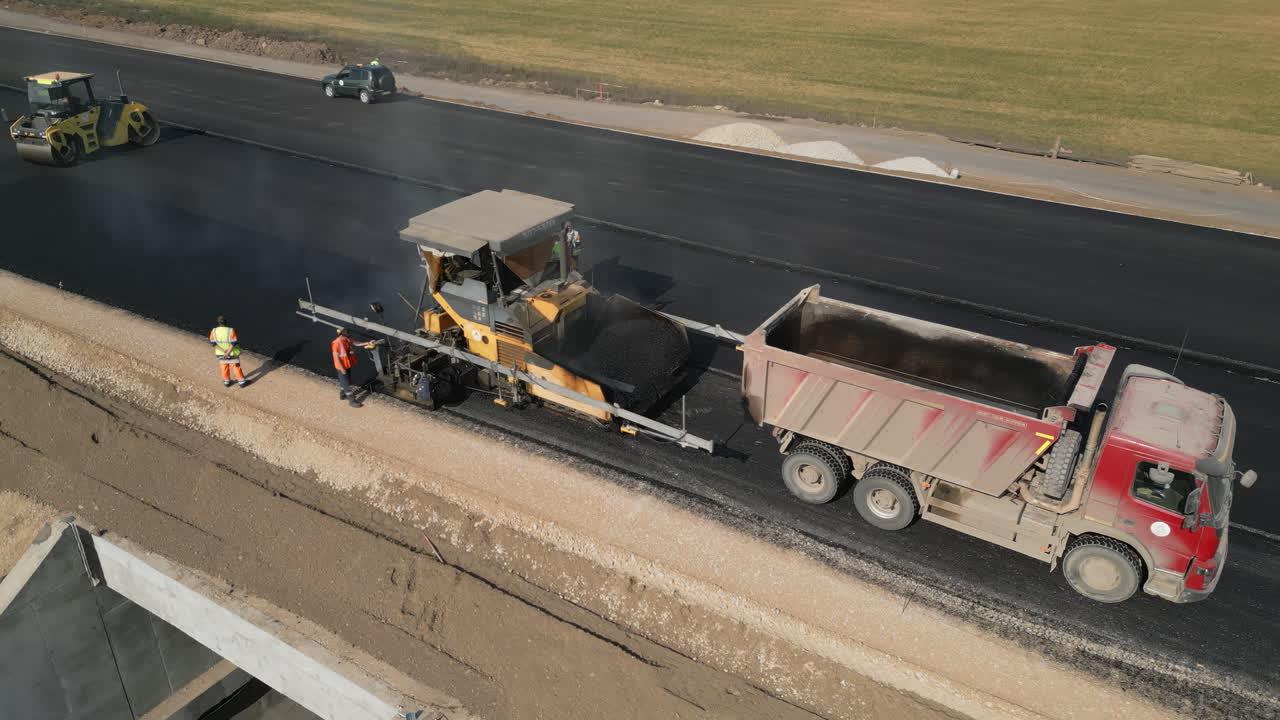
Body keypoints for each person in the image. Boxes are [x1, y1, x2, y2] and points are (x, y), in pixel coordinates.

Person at [332, 327, 375, 408]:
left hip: (347, 365)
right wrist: (342, 369)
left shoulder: (346, 340)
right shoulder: (336, 343)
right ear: (341, 334)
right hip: (341, 367)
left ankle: (342, 395)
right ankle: (352, 401)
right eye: (346, 332)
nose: (348, 334)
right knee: (346, 384)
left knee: (345, 381)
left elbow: (356, 343)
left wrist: (368, 343)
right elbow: (336, 358)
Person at [209, 316, 247, 388]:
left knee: (224, 367)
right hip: (232, 353)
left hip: (221, 354)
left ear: (218, 322)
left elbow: (213, 343)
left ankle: (227, 382)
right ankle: (242, 382)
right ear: (226, 322)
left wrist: (224, 351)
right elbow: (234, 343)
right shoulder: (230, 330)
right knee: (235, 367)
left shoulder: (214, 331)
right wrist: (228, 352)